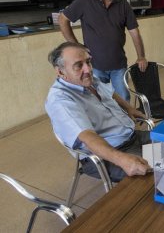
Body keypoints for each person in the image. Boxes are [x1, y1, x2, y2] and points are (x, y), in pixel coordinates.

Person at [45, 42, 152, 182]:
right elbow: (87, 137)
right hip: (108, 154)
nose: (88, 69)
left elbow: (111, 93)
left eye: (88, 62)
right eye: (78, 65)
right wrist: (122, 160)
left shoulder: (90, 80)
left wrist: (129, 108)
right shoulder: (60, 100)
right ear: (61, 71)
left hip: (131, 136)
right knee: (160, 175)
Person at [58, 0, 147, 102]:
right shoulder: (84, 1)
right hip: (94, 66)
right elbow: (63, 20)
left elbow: (135, 33)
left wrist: (141, 56)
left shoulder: (123, 5)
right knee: (99, 100)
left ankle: (126, 124)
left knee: (123, 99)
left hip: (119, 65)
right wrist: (76, 46)